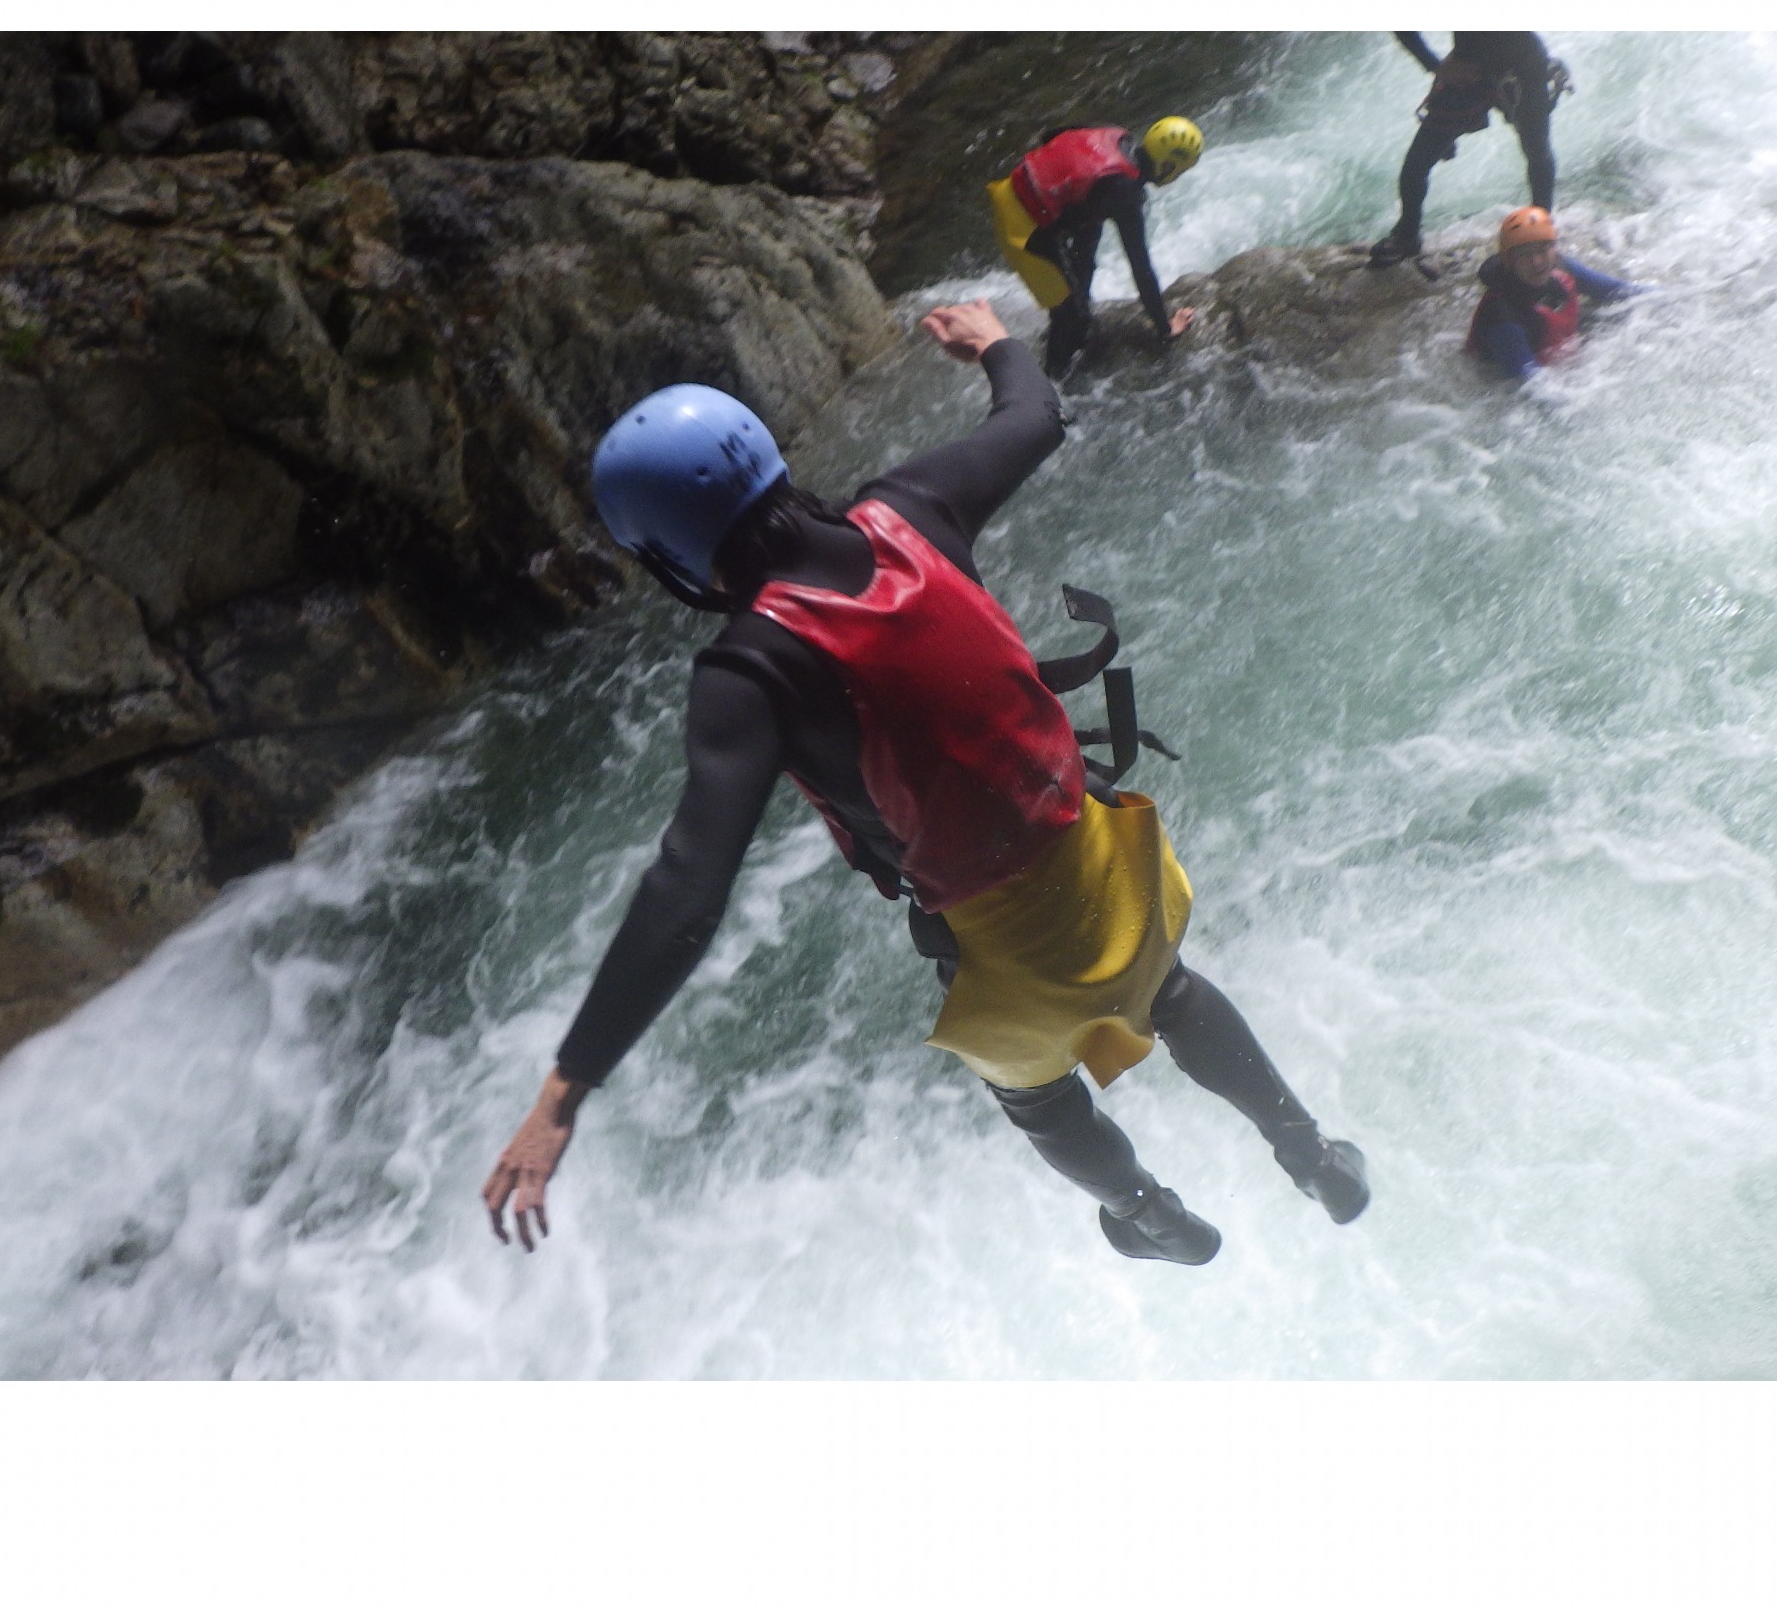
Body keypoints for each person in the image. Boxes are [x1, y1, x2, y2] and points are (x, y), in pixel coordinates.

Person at [482, 300, 1368, 1267]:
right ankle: (1307, 1147)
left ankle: (1145, 1213)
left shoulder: (752, 670)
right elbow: (1033, 415)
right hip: (1109, 856)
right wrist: (994, 345)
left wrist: (563, 1092)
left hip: (1006, 947)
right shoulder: (909, 511)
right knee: (1175, 992)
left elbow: (686, 892)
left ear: (670, 556)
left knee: (1035, 1094)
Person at [986, 118, 1203, 378]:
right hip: (1021, 227)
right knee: (1075, 318)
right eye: (1180, 170)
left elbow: (1053, 135)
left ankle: (1073, 311)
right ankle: (1051, 391)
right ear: (1168, 165)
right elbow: (1140, 267)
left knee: (1091, 226)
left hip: (1013, 186)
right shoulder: (1125, 193)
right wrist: (1165, 327)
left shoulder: (1117, 135)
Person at [1370, 33, 1569, 268]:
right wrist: (1434, 65)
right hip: (1468, 70)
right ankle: (1407, 235)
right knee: (1418, 161)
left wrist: (1436, 66)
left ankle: (1540, 231)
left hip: (1524, 68)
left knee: (1537, 151)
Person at [1466, 207, 1634, 381]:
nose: (1537, 262)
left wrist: (1663, 296)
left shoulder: (1563, 268)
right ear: (1509, 261)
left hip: (1555, 353)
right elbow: (1531, 382)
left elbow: (1618, 290)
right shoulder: (1502, 314)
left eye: (1542, 250)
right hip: (1511, 376)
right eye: (1525, 255)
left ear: (1554, 250)